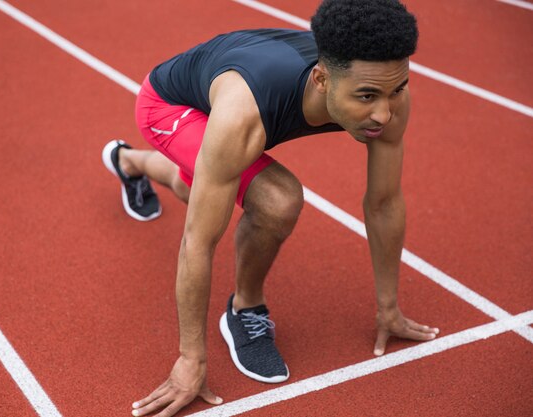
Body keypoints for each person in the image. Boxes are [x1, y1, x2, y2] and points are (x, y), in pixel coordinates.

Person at [102, 0, 440, 415]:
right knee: (277, 199)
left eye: (397, 90)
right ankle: (245, 308)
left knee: (206, 184)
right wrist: (191, 361)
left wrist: (389, 307)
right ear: (321, 79)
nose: (384, 113)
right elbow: (197, 241)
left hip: (233, 86)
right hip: (171, 105)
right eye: (367, 96)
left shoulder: (383, 90)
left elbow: (384, 203)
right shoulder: (244, 113)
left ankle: (128, 162)